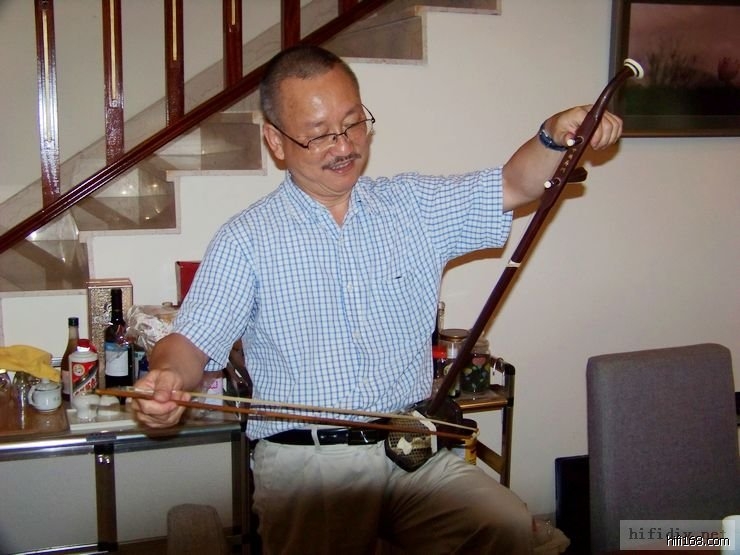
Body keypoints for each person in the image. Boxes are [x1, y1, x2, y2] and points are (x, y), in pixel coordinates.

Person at [131, 45, 622, 554]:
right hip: (309, 462)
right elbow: (191, 342)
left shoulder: (412, 206)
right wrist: (166, 376)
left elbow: (514, 184)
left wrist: (553, 136)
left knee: (505, 526)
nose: (343, 145)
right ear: (276, 141)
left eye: (353, 124)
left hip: (412, 445)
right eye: (319, 133)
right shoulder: (247, 239)